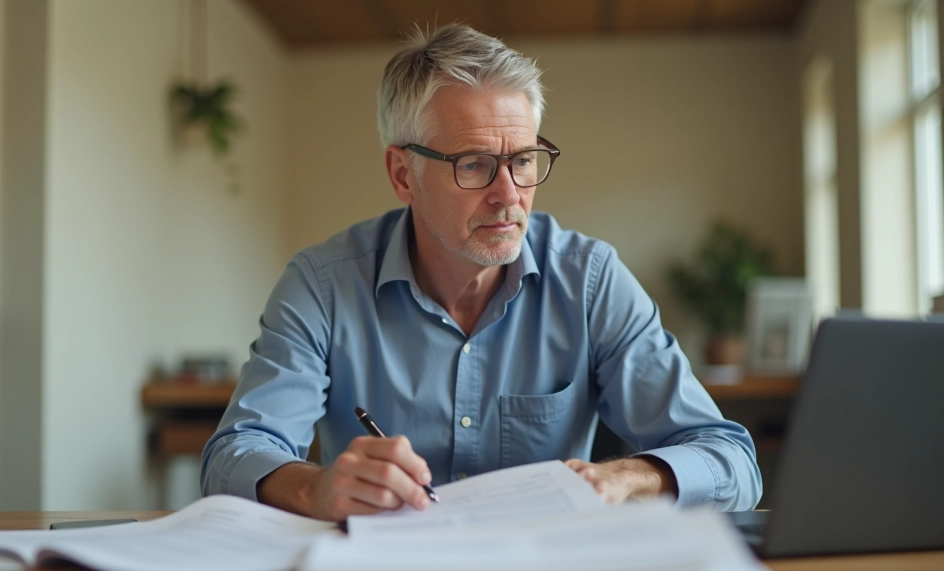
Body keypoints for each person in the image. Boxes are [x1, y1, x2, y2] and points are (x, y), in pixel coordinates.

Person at [201, 24, 761, 521]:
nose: (509, 195)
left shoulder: (590, 280)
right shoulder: (321, 285)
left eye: (522, 160)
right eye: (474, 165)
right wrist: (317, 489)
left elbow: (729, 459)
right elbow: (234, 453)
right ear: (403, 174)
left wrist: (624, 477)